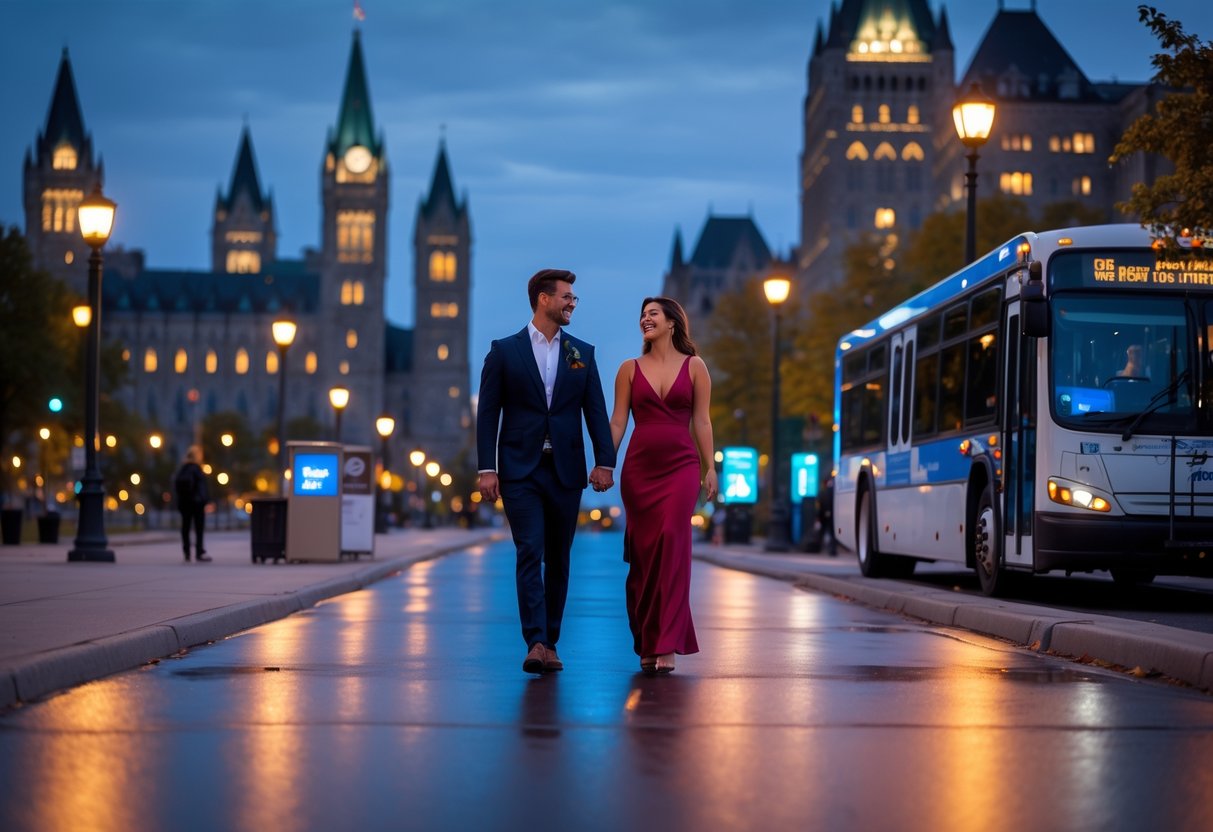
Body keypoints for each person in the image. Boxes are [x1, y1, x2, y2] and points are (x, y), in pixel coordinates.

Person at [477, 268, 616, 675]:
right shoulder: (504, 351)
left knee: (559, 558)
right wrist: (487, 468)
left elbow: (596, 412)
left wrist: (604, 462)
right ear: (543, 298)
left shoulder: (582, 353)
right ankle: (535, 641)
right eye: (567, 296)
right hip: (520, 471)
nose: (572, 302)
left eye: (574, 298)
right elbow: (488, 415)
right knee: (529, 551)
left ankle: (551, 641)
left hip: (566, 471)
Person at [608, 297, 717, 674]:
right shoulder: (628, 369)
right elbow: (618, 422)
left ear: (673, 323)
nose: (645, 319)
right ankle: (647, 639)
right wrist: (606, 462)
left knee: (672, 541)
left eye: (653, 313)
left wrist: (710, 468)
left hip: (682, 467)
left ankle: (665, 642)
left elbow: (702, 422)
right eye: (642, 315)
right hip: (639, 471)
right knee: (643, 555)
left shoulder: (696, 367)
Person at [174, 445, 211, 562]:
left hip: (185, 503)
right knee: (199, 528)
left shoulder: (182, 468)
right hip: (197, 503)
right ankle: (199, 551)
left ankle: (186, 552)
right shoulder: (197, 469)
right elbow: (202, 487)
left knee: (185, 527)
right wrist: (205, 500)